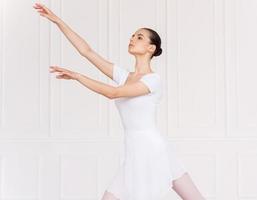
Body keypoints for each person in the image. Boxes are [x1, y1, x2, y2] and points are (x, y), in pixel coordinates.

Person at [33, 3, 206, 200]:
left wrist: (78, 76)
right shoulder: (125, 76)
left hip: (151, 150)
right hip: (134, 152)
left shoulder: (153, 80)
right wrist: (57, 21)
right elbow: (87, 51)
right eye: (132, 35)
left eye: (139, 37)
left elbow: (113, 93)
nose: (132, 39)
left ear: (151, 48)